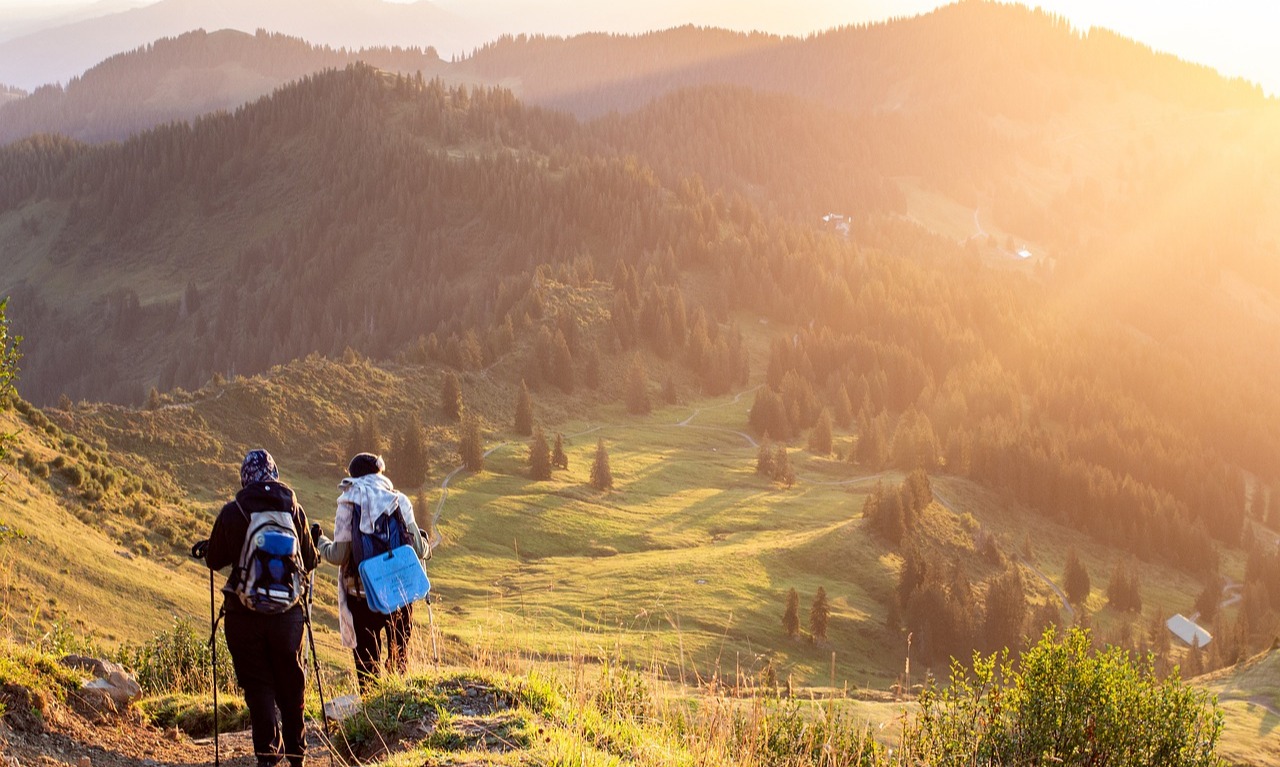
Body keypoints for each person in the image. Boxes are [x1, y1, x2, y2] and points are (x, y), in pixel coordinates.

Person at [203, 449, 317, 767]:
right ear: (274, 473)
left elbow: (215, 559)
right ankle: (298, 754)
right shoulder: (294, 508)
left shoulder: (234, 510)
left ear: (245, 477)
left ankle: (268, 756)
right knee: (292, 683)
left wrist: (208, 547)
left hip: (243, 615)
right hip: (288, 616)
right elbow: (309, 561)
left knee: (258, 686)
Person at [312, 452, 429, 692]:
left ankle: (371, 716)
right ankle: (399, 711)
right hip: (400, 594)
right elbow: (418, 548)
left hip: (362, 595)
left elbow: (339, 555)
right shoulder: (399, 500)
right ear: (379, 473)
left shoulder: (348, 502)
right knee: (399, 661)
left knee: (368, 668)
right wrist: (425, 544)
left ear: (353, 476)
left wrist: (319, 541)